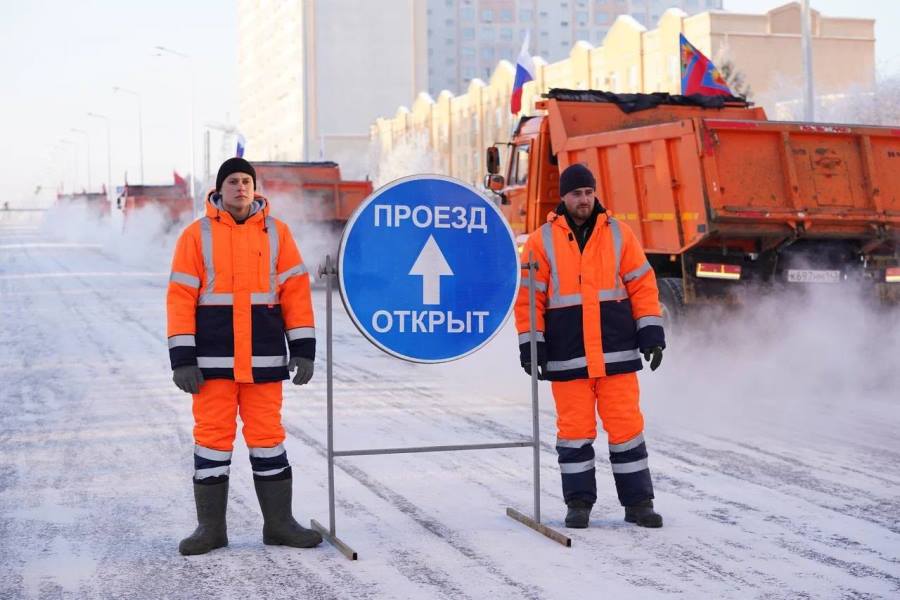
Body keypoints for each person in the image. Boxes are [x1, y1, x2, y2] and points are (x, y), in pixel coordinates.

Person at [167, 157, 322, 554]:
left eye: (246, 181)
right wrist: (182, 357)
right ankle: (211, 530)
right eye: (233, 181)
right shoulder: (195, 235)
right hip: (211, 362)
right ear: (220, 189)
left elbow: (295, 292)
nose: (240, 187)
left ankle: (280, 525)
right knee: (212, 441)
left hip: (264, 360)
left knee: (268, 439)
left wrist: (303, 349)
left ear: (255, 188)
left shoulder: (278, 233)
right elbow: (181, 296)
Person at [515, 163, 666, 529]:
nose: (584, 199)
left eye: (588, 192)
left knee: (627, 429)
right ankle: (579, 504)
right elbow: (529, 298)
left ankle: (639, 504)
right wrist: (530, 344)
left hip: (616, 354)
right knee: (574, 433)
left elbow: (642, 285)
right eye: (577, 193)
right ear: (563, 197)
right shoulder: (541, 241)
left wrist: (651, 332)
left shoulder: (620, 234)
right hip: (568, 358)